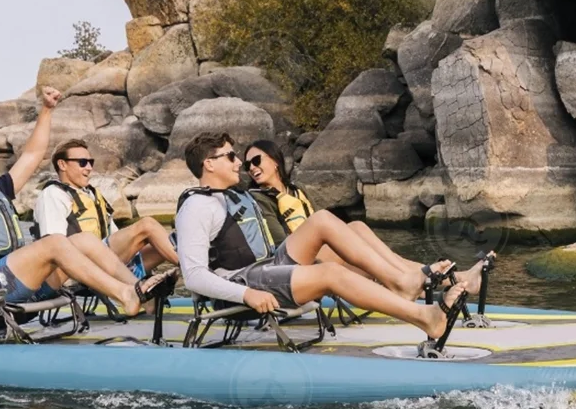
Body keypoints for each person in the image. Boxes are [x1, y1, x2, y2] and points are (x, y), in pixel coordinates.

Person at [0, 75, 169, 315]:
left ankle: (139, 289)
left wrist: (46, 110)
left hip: (15, 280)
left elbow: (33, 155)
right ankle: (124, 295)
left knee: (85, 241)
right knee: (55, 241)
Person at [173, 132, 468, 342]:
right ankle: (424, 318)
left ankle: (401, 283)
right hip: (241, 285)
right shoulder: (197, 207)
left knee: (323, 220)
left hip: (264, 267)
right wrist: (246, 294)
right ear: (209, 164)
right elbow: (195, 277)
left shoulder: (228, 197)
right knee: (329, 272)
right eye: (231, 157)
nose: (240, 163)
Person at [243, 138, 489, 292]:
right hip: (295, 262)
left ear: (275, 160)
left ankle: (447, 279)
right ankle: (423, 280)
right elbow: (277, 242)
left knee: (360, 228)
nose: (252, 168)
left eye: (256, 160)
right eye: (247, 165)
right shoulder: (259, 198)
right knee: (367, 250)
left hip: (318, 252)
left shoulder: (296, 191)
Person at [32, 138, 179, 280]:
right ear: (62, 165)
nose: (89, 168)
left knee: (167, 243)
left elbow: (114, 236)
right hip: (76, 269)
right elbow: (53, 246)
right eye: (82, 163)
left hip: (105, 260)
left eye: (90, 162)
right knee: (147, 225)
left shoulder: (91, 194)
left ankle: (146, 292)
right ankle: (193, 272)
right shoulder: (53, 195)